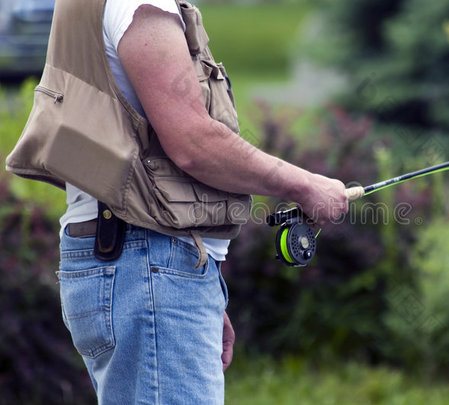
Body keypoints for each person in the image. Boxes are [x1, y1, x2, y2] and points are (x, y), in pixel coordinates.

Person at [6, 0, 348, 403]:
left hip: (136, 267)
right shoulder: (140, 4)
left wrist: (195, 288)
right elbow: (193, 143)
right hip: (147, 267)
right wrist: (307, 186)